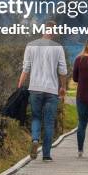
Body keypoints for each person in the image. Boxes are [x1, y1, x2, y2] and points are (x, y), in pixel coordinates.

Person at [18, 20, 67, 162]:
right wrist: (62, 87)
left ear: (43, 30)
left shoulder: (30, 46)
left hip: (35, 88)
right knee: (49, 122)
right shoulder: (58, 48)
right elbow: (62, 70)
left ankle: (34, 139)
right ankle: (46, 155)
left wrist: (20, 84)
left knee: (36, 117)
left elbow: (26, 68)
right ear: (54, 32)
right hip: (51, 90)